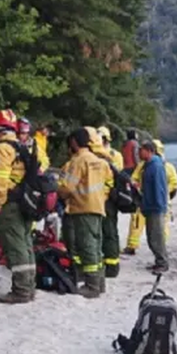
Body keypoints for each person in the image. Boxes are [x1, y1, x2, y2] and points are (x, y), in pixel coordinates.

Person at [59, 128, 114, 298]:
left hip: (82, 208)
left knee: (87, 246)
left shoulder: (78, 161)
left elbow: (68, 187)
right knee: (97, 246)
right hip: (98, 207)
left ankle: (91, 286)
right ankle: (100, 282)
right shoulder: (99, 161)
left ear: (74, 142)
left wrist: (58, 191)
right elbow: (108, 182)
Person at [0, 109, 36, 304]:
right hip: (24, 201)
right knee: (25, 244)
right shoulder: (22, 146)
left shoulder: (1, 149)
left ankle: (21, 291)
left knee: (15, 246)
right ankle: (29, 287)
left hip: (10, 203)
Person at [124, 138, 177, 254]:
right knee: (140, 224)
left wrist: (162, 193)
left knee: (159, 228)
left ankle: (160, 252)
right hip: (148, 200)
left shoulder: (158, 166)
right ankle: (134, 246)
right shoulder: (146, 166)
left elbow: (173, 183)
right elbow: (134, 178)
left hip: (156, 202)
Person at [95, 126, 124, 277]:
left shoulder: (112, 156)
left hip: (107, 199)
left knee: (109, 231)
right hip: (101, 198)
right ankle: (106, 264)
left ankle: (111, 267)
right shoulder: (111, 155)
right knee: (103, 232)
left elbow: (114, 176)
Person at [138, 140, 170, 272]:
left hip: (155, 207)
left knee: (156, 236)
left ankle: (162, 263)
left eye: (141, 150)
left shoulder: (155, 166)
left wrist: (158, 205)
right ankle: (159, 261)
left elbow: (159, 187)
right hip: (150, 205)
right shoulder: (148, 165)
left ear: (149, 151)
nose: (139, 152)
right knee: (152, 236)